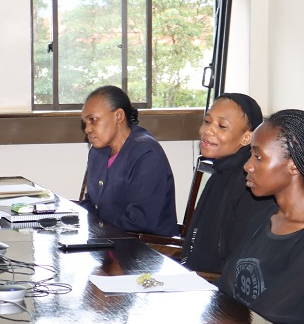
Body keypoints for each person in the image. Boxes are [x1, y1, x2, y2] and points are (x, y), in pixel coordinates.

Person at [219, 109, 304, 324]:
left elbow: (265, 321)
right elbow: (226, 288)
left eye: (259, 157)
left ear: (294, 165)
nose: (248, 166)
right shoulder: (267, 217)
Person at [180, 94, 269, 274]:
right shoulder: (221, 171)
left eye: (221, 126)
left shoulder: (250, 183)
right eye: (207, 121)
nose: (207, 131)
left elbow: (238, 264)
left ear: (246, 138)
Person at [78, 85, 178, 237]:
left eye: (93, 120)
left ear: (118, 116)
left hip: (147, 250)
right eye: (85, 123)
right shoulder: (98, 152)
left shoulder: (146, 154)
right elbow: (92, 203)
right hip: (109, 240)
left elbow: (140, 221)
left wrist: (96, 225)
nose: (87, 129)